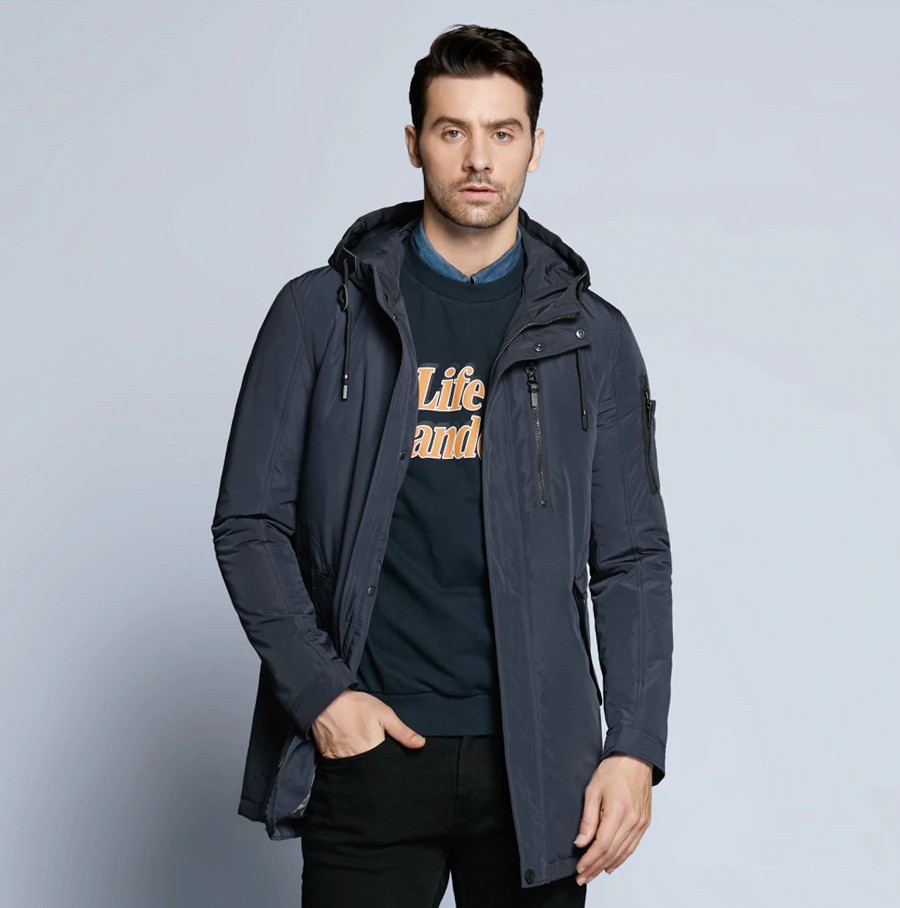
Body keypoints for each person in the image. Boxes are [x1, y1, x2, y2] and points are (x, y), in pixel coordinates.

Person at [211, 22, 673, 908]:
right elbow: (249, 523)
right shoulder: (320, 315)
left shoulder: (594, 338)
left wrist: (634, 746)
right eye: (452, 130)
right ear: (414, 141)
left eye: (503, 132)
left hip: (539, 765)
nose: (478, 158)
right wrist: (323, 695)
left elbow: (632, 558)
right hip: (371, 751)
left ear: (536, 146)